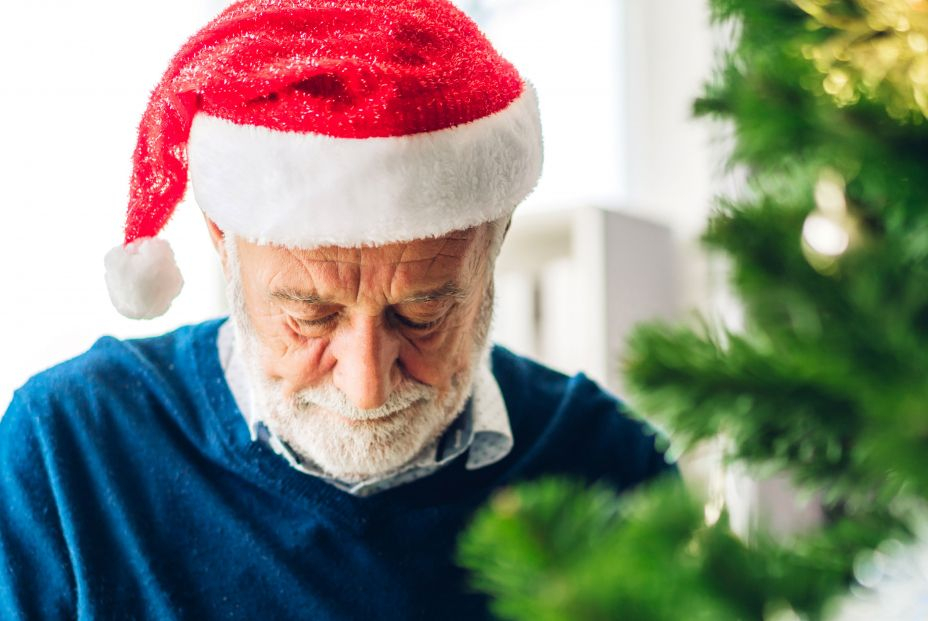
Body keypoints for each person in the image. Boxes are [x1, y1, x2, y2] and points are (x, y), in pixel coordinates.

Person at [0, 0, 674, 619]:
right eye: (311, 315)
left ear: (494, 243)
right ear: (221, 241)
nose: (367, 385)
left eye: (422, 314)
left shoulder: (611, 467)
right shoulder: (68, 452)